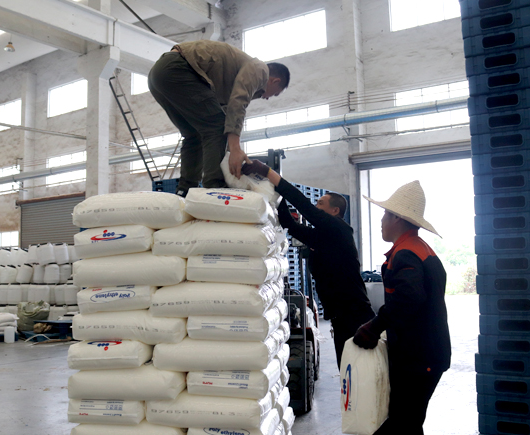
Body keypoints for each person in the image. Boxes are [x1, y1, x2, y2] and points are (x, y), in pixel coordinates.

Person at [241, 159, 375, 370]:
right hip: (341, 317)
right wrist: (270, 193)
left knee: (358, 372)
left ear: (334, 211)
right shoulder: (324, 237)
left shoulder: (340, 230)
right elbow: (292, 227)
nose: (316, 207)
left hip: (355, 317)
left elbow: (304, 206)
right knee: (348, 373)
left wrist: (268, 173)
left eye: (321, 204)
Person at [353, 180, 451, 435]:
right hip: (425, 353)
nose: (381, 220)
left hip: (420, 357)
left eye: (385, 214)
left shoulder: (406, 253)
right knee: (407, 421)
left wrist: (374, 327)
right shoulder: (420, 249)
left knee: (403, 423)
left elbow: (410, 298)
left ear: (396, 218)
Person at [148, 40, 290, 196]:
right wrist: (236, 149)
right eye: (275, 93)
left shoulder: (227, 81)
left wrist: (232, 153)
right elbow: (238, 103)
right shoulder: (260, 69)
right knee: (216, 125)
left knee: (193, 134)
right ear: (275, 81)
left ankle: (185, 191)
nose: (269, 98)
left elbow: (228, 120)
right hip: (178, 68)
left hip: (159, 75)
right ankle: (214, 188)